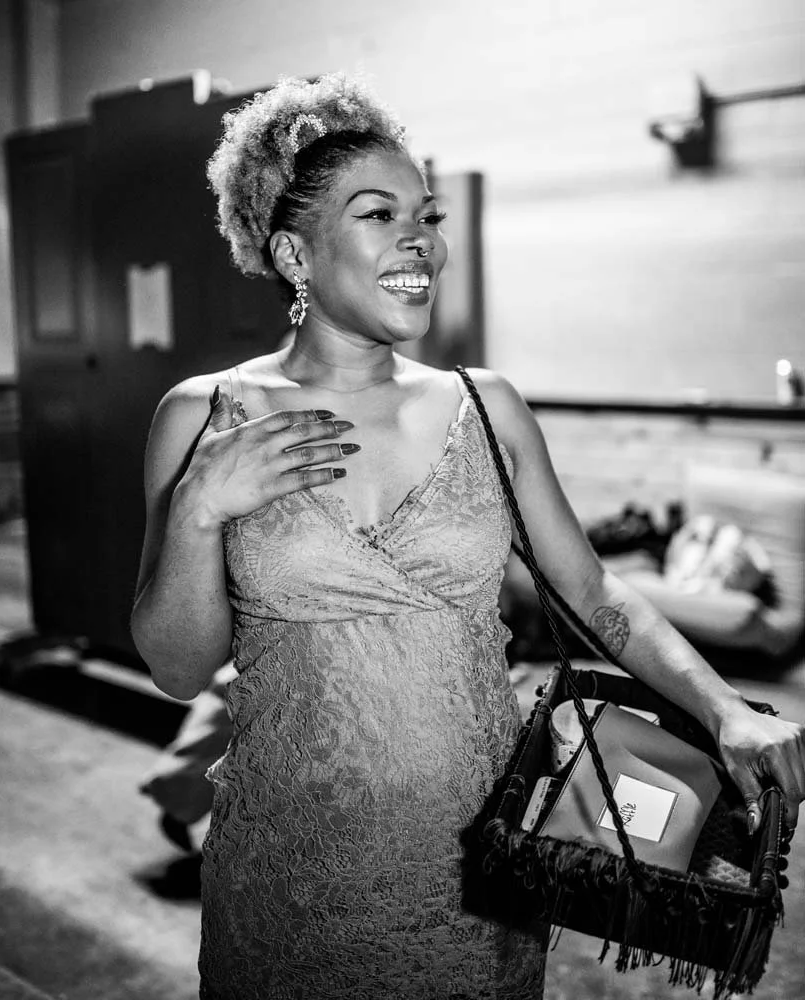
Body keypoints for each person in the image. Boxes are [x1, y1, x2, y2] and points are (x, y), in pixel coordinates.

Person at [130, 73, 805, 1000]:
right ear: (292, 252)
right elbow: (176, 669)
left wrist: (725, 708)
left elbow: (594, 594)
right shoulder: (202, 416)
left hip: (474, 877)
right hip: (286, 876)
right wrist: (200, 507)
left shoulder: (486, 409)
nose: (421, 240)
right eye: (379, 214)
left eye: (428, 215)